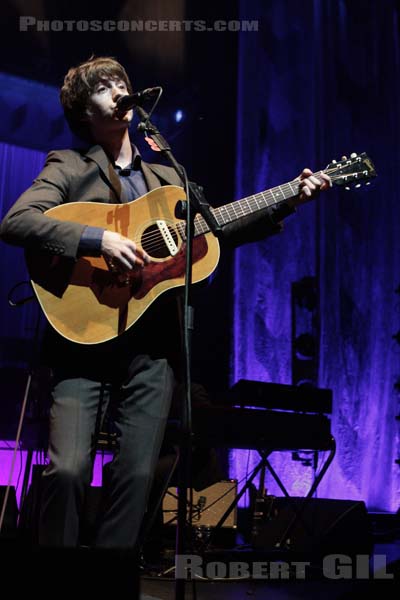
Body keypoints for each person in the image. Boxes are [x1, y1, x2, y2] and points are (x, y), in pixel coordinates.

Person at [0, 56, 331, 555]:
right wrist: (96, 240)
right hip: (81, 343)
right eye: (104, 87)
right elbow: (17, 222)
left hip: (152, 349)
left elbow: (218, 228)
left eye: (121, 82)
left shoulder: (166, 177)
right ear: (83, 112)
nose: (118, 90)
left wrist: (288, 200)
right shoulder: (68, 166)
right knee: (66, 470)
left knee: (136, 478)